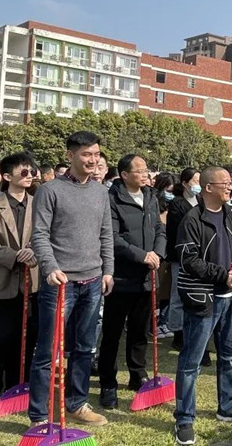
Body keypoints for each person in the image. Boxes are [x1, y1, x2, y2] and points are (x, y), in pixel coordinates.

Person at [29, 131, 114, 427]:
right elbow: (39, 234)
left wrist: (108, 270)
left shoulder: (100, 192)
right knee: (47, 350)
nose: (93, 160)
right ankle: (39, 415)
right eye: (86, 154)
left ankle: (77, 403)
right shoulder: (50, 190)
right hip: (60, 284)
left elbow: (106, 233)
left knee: (84, 347)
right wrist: (50, 267)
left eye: (96, 154)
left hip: (93, 281)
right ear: (70, 155)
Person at [173, 167, 232, 446]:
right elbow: (189, 259)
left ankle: (228, 405)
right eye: (224, 183)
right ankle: (184, 418)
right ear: (208, 188)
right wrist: (221, 275)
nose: (230, 186)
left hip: (229, 297)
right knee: (191, 362)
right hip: (202, 298)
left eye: (230, 182)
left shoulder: (230, 214)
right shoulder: (192, 219)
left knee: (229, 356)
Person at [98, 154, 167, 410]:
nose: (145, 174)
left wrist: (157, 253)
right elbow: (112, 237)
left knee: (139, 331)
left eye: (146, 170)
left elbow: (159, 229)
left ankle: (137, 374)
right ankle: (108, 382)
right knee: (112, 333)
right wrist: (141, 256)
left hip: (147, 276)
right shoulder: (111, 198)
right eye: (139, 171)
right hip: (120, 276)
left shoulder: (150, 196)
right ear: (124, 175)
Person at [0, 152, 39, 411]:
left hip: (31, 282)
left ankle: (18, 384)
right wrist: (14, 256)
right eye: (23, 171)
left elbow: (48, 235)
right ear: (7, 176)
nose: (29, 176)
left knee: (25, 338)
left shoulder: (39, 205)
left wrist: (33, 251)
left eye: (32, 171)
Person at [165, 168, 200, 352]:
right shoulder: (177, 204)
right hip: (180, 256)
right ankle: (177, 332)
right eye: (195, 181)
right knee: (178, 295)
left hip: (199, 256)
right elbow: (178, 229)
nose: (199, 185)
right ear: (185, 183)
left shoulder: (201, 201)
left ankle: (193, 331)